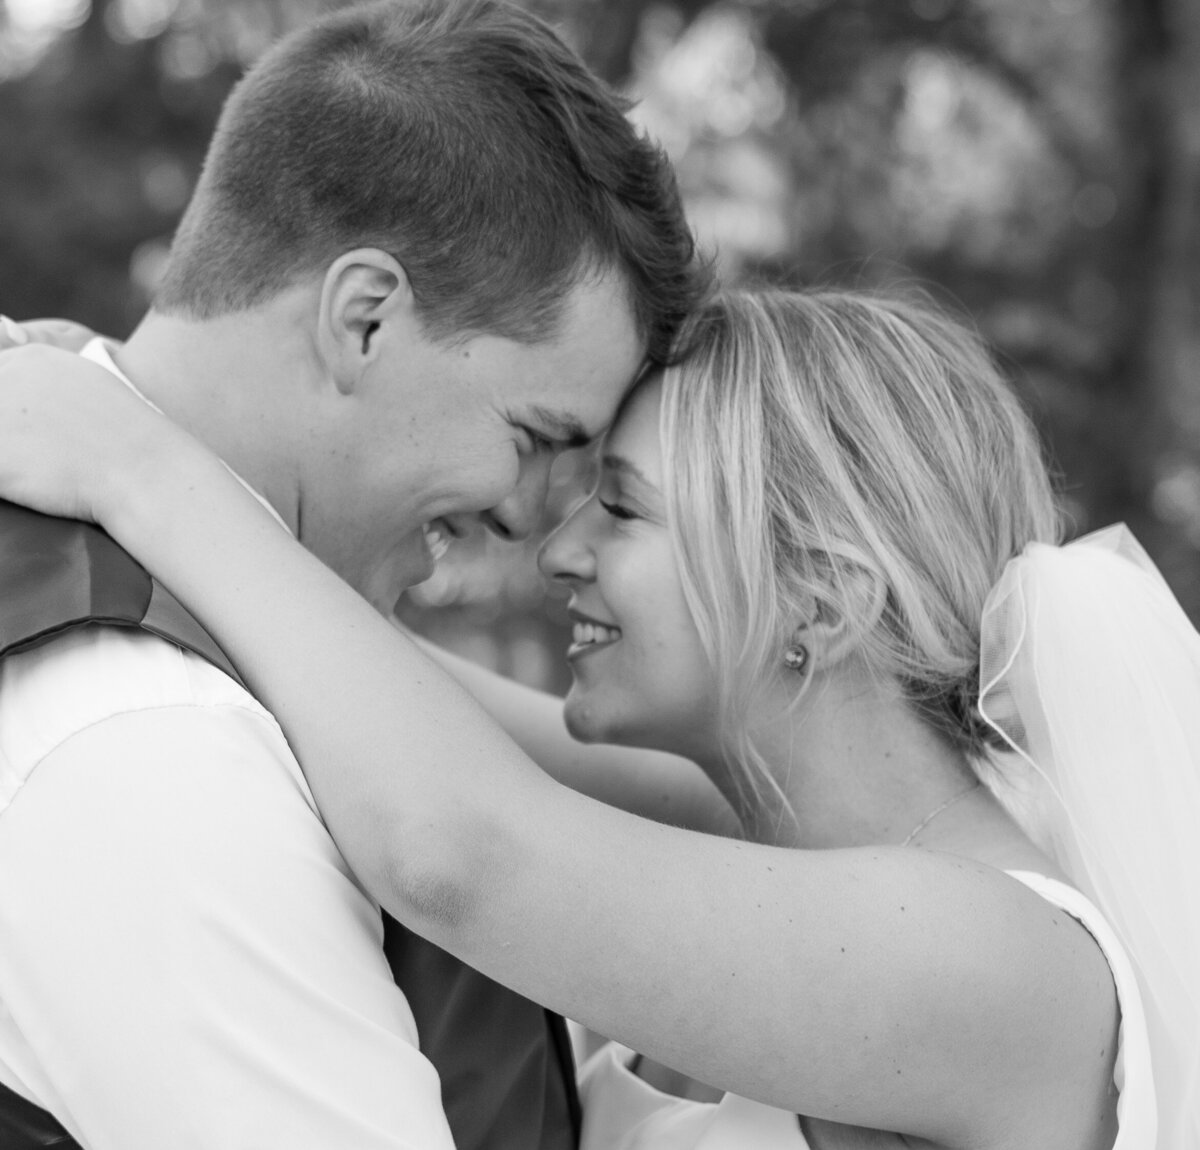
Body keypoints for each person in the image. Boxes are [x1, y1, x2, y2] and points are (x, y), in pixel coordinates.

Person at [2, 288, 1196, 1150]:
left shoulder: (1006, 962)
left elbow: (457, 851)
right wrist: (118, 385)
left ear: (822, 599)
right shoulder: (772, 830)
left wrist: (136, 465)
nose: (558, 553)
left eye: (621, 511)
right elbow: (360, 671)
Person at [0, 0, 709, 1145]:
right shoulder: (146, 733)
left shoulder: (247, 619)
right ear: (365, 318)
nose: (534, 525)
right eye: (533, 437)